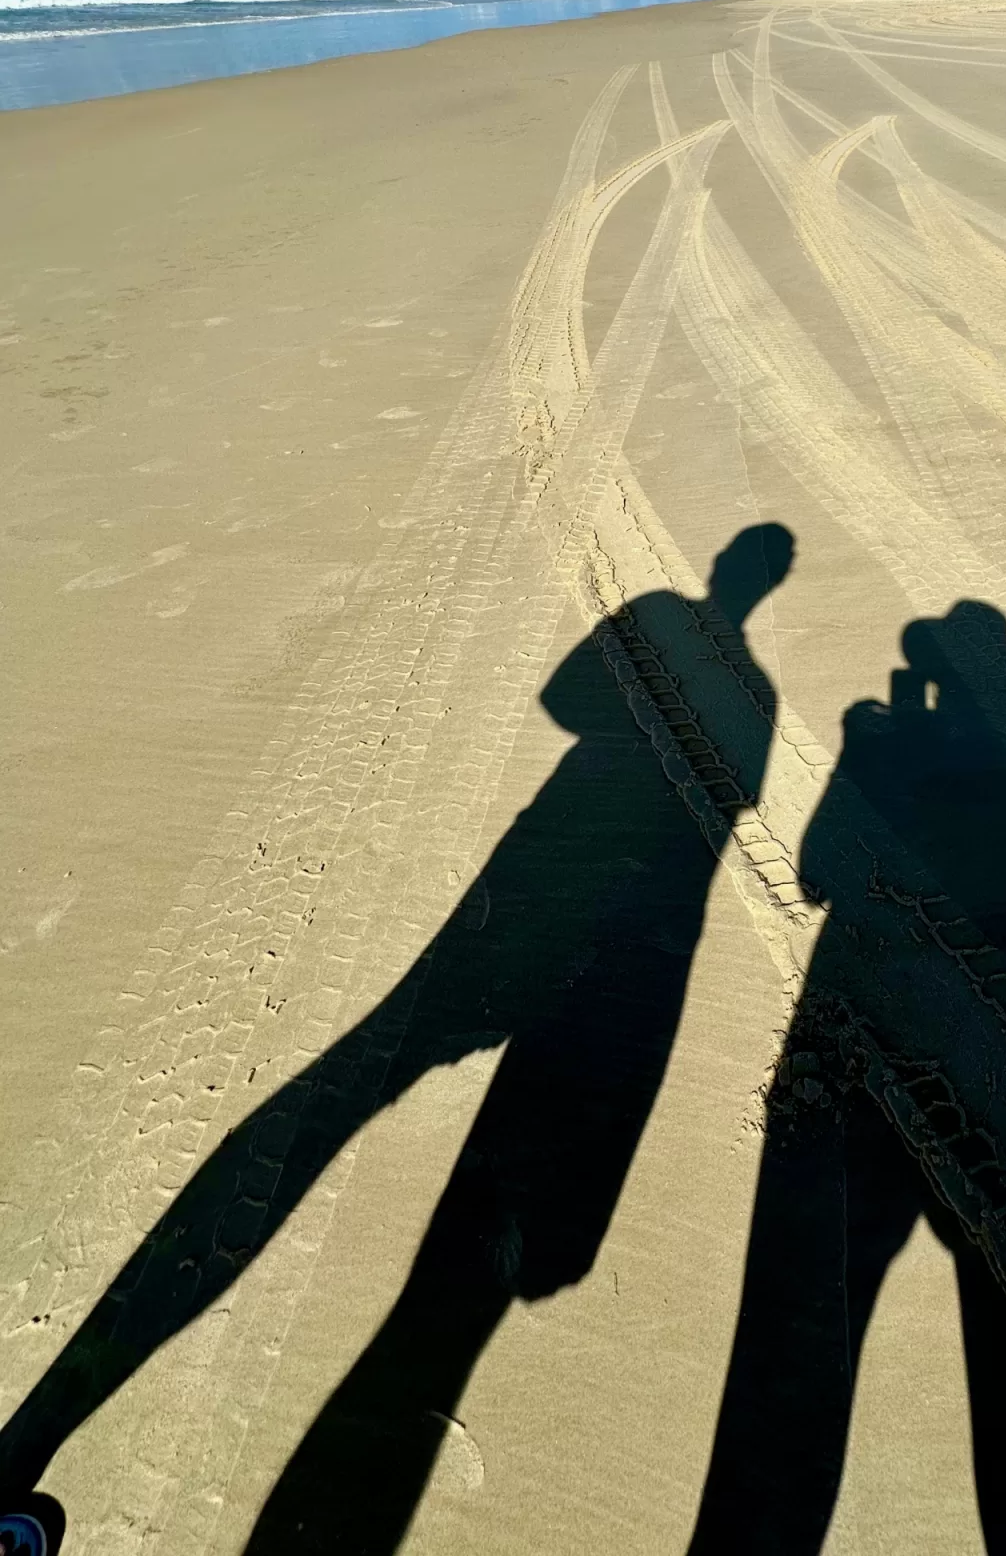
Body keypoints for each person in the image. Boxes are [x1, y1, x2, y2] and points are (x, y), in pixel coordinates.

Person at [0, 525, 795, 1556]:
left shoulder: (670, 627)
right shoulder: (758, 693)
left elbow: (563, 702)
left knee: (366, 1075)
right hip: (630, 926)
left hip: (543, 875)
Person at [689, 601, 1006, 1554]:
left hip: (872, 1027)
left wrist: (864, 750)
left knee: (794, 1347)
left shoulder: (891, 747)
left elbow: (816, 872)